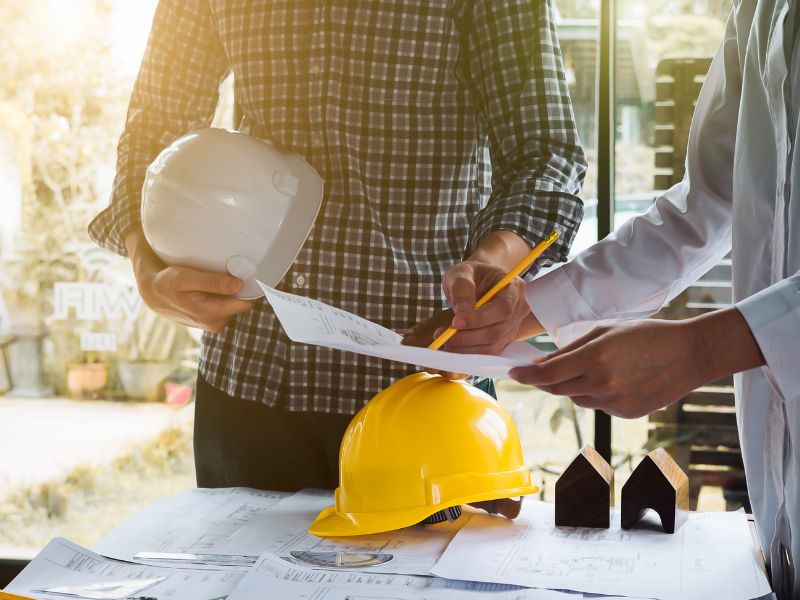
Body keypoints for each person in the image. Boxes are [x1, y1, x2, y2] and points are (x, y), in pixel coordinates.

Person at [88, 1, 585, 492]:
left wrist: (492, 264)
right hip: (250, 375)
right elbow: (155, 123)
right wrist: (146, 264)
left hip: (425, 382)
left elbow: (543, 150)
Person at [408, 1, 799, 596]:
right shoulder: (758, 12)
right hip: (779, 494)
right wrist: (528, 308)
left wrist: (703, 349)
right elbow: (708, 204)